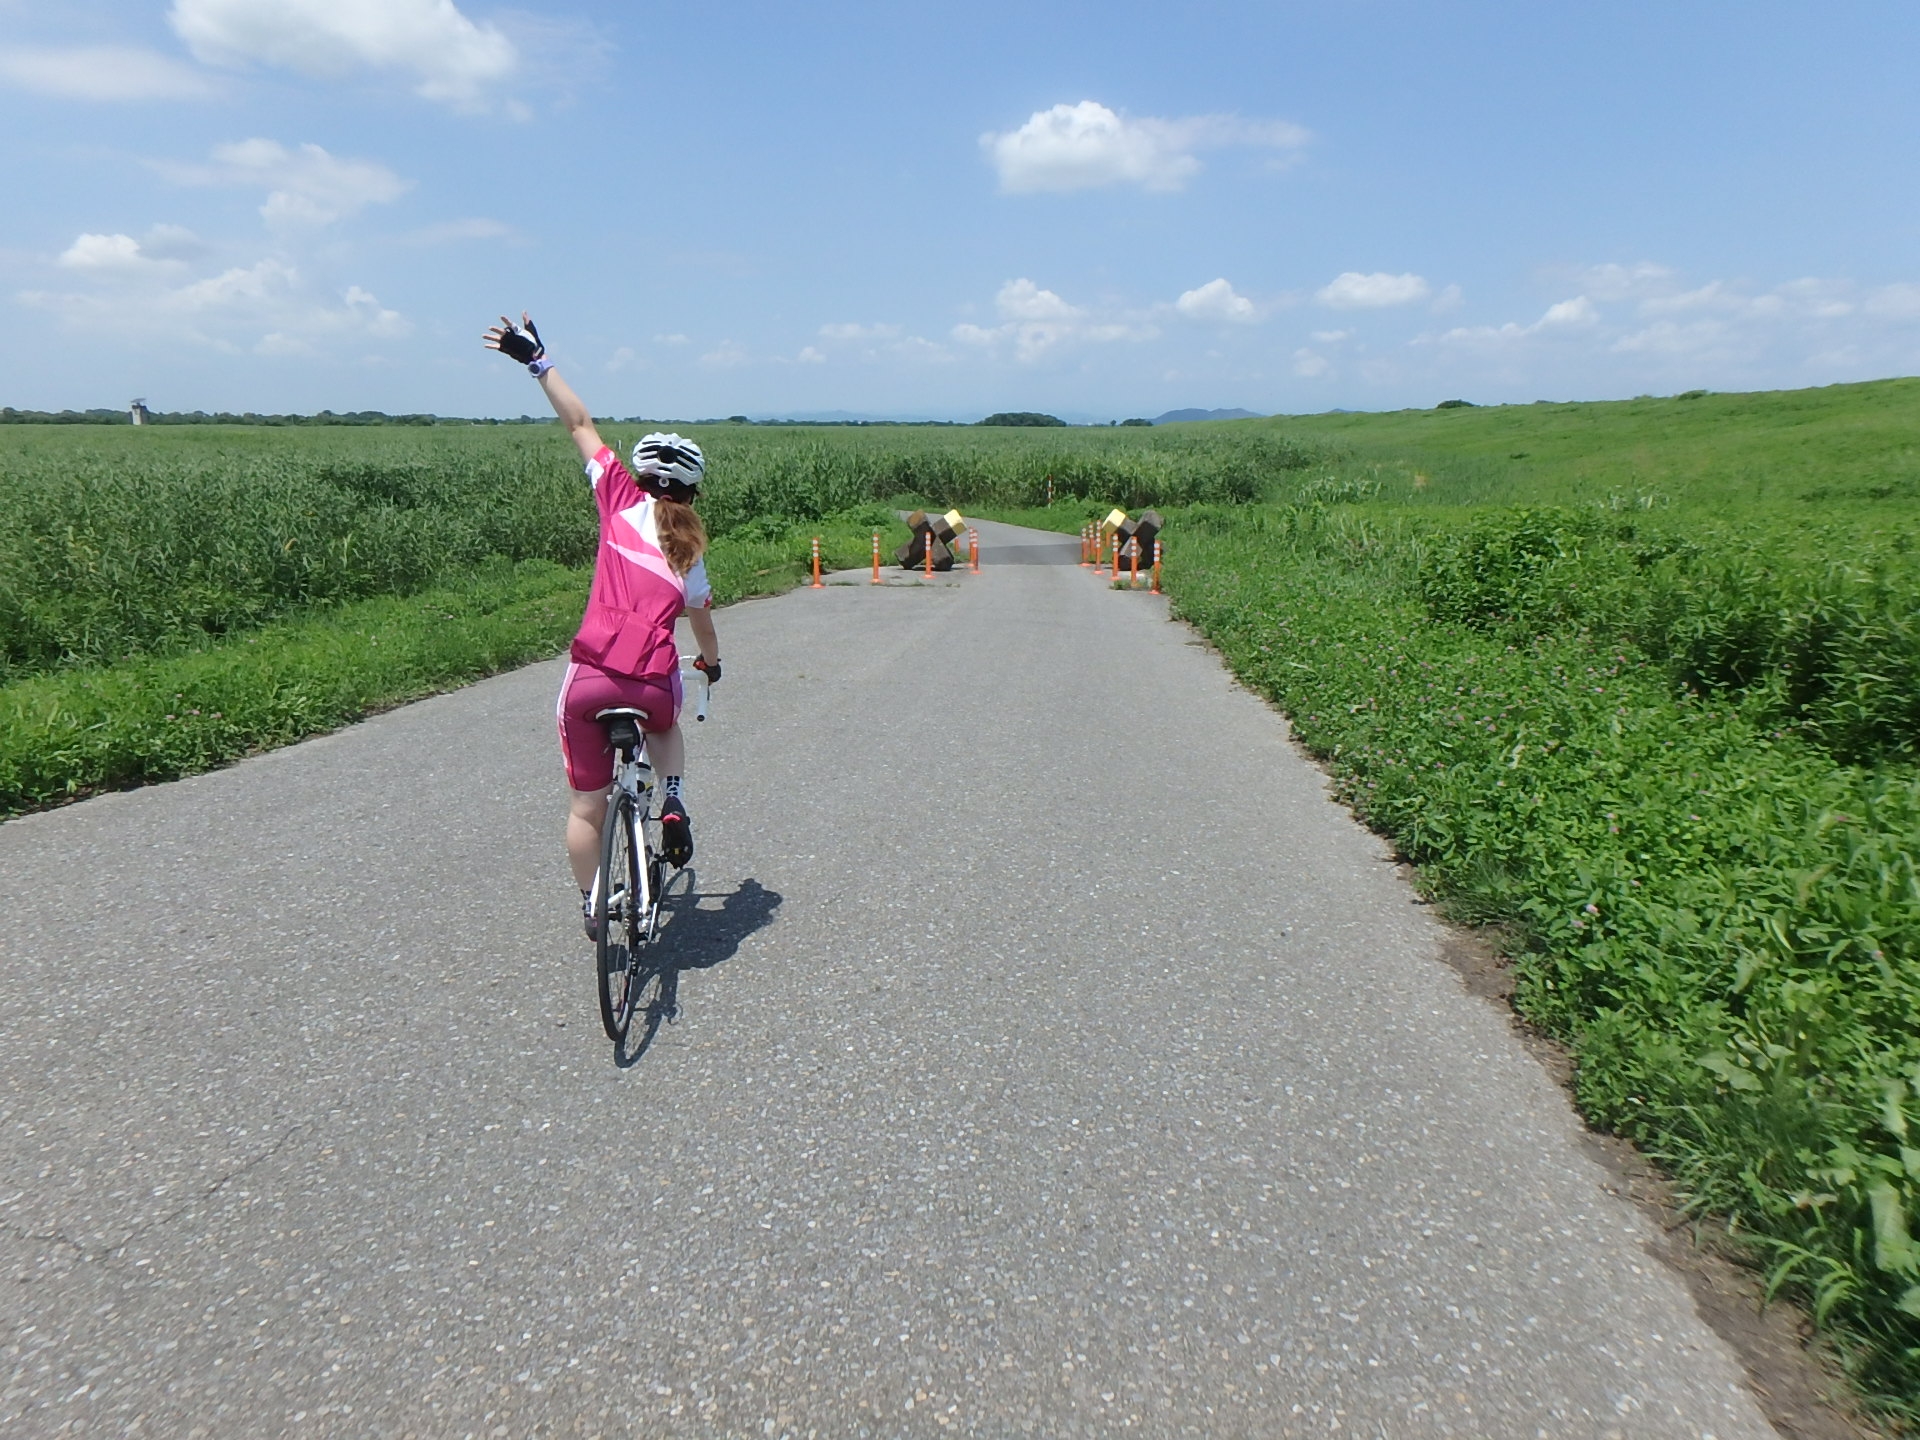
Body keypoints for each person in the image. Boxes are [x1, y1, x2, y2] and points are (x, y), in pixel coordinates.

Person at [483, 312, 721, 939]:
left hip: (590, 678)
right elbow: (702, 619)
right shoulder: (690, 547)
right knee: (667, 720)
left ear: (639, 477)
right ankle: (671, 796)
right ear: (692, 494)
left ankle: (594, 905)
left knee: (587, 805)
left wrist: (536, 360)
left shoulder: (617, 498)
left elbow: (580, 423)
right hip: (649, 680)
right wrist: (712, 664)